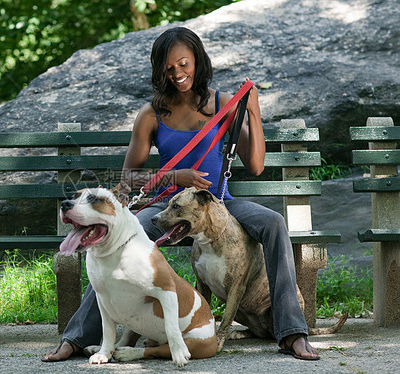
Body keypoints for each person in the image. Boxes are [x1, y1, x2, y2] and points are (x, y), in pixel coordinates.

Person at [42, 26, 319, 362]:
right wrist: (176, 176)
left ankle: (292, 332)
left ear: (198, 61)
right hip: (166, 207)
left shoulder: (221, 104)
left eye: (184, 64)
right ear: (160, 71)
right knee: (125, 231)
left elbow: (256, 165)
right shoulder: (152, 114)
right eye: (169, 69)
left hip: (219, 206)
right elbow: (129, 178)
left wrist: (252, 111)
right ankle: (76, 337)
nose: (178, 74)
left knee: (273, 223)